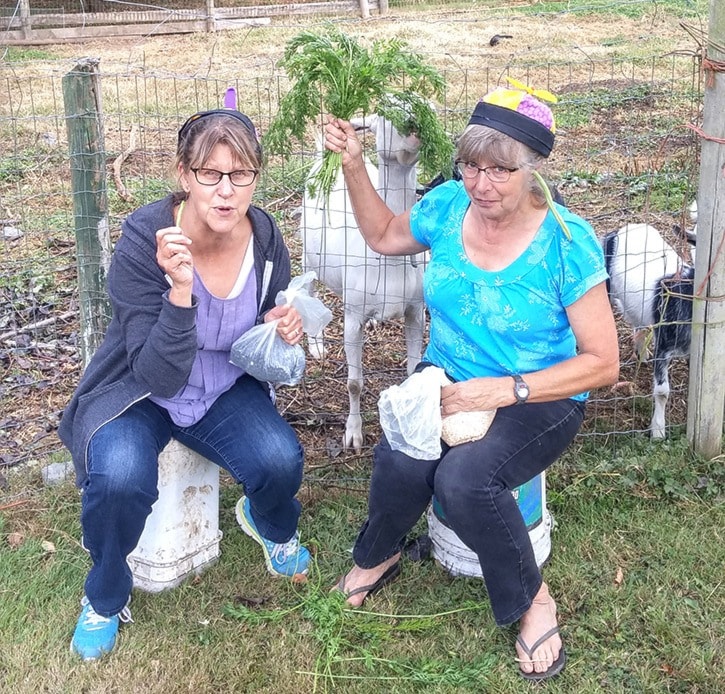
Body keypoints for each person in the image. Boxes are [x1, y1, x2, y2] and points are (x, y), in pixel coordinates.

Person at [324, 81, 619, 681]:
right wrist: (354, 164)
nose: (481, 184)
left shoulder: (567, 244)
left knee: (465, 480)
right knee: (403, 453)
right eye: (470, 166)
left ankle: (532, 600)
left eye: (500, 170)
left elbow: (603, 363)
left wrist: (505, 390)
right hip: (449, 373)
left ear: (532, 167)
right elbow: (383, 235)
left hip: (541, 392)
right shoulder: (448, 206)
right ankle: (378, 557)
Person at [59, 107, 310, 661]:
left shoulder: (264, 238)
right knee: (119, 478)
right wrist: (179, 291)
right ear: (183, 175)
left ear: (256, 177)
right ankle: (105, 593)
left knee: (279, 460)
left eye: (239, 174)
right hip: (141, 388)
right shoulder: (145, 240)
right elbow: (155, 372)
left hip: (222, 385)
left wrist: (281, 322)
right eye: (209, 174)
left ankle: (266, 520)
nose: (225, 191)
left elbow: (271, 310)